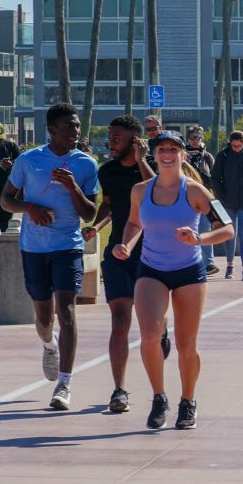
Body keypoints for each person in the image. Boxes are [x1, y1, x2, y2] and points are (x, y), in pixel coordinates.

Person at [113, 131, 235, 430]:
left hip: (189, 273)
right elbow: (133, 222)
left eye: (173, 149)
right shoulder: (140, 191)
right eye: (162, 149)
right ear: (154, 154)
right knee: (150, 336)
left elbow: (227, 228)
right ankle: (159, 397)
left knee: (185, 344)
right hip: (151, 270)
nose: (167, 153)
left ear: (182, 155)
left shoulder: (195, 191)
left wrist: (200, 239)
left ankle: (188, 401)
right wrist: (126, 243)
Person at [0, 103, 99, 410]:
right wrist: (30, 207)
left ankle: (64, 385)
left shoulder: (85, 164)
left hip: (67, 246)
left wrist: (72, 187)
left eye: (77, 127)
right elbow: (6, 200)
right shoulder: (29, 160)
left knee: (66, 312)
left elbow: (90, 213)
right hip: (34, 248)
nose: (75, 132)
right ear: (52, 130)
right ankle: (48, 344)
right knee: (44, 318)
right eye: (69, 127)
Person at [81, 115, 156, 413]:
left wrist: (143, 160)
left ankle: (160, 334)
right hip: (118, 254)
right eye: (109, 135)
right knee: (120, 319)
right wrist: (96, 227)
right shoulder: (107, 171)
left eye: (117, 136)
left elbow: (156, 191)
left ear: (135, 141)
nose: (111, 141)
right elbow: (109, 205)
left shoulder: (148, 173)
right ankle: (119, 390)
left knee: (151, 326)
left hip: (152, 255)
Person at [210, 130, 243, 281]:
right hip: (228, 203)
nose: (237, 148)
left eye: (239, 146)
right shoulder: (223, 155)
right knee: (230, 234)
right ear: (229, 143)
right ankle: (230, 265)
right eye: (234, 146)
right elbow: (215, 178)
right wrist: (222, 196)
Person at [185, 126, 219, 275]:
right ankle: (190, 263)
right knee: (189, 230)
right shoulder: (183, 155)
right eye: (193, 138)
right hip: (187, 198)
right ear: (188, 139)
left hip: (204, 198)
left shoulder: (207, 156)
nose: (195, 141)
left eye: (198, 138)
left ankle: (209, 264)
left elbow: (215, 177)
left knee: (205, 230)